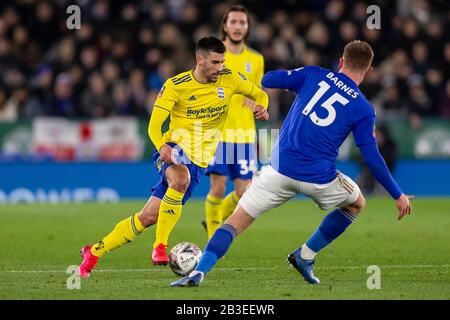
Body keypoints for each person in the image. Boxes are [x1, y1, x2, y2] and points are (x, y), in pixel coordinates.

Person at [171, 40, 413, 287]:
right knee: (356, 203)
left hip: (277, 172)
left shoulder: (313, 74)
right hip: (319, 180)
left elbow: (269, 79)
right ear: (369, 71)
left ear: (341, 61)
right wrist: (398, 194)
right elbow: (371, 156)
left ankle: (198, 272)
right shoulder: (363, 108)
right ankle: (305, 255)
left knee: (233, 223)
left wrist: (287, 79)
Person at [77, 36, 269, 277]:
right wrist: (161, 146)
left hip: (199, 161)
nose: (220, 68)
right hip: (174, 149)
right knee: (180, 178)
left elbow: (259, 93)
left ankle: (94, 252)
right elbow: (153, 126)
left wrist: (261, 106)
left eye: (222, 62)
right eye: (215, 62)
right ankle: (160, 246)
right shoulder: (175, 86)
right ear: (199, 60)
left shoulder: (229, 78)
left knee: (147, 217)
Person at [203, 5, 266, 239]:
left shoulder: (256, 59)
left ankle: (216, 217)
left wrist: (258, 102)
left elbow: (258, 92)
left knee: (244, 193)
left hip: (245, 135)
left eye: (242, 22)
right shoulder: (215, 56)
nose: (238, 27)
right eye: (234, 22)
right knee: (217, 187)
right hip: (218, 133)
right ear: (225, 26)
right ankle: (212, 237)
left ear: (247, 27)